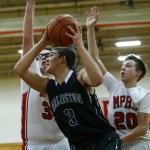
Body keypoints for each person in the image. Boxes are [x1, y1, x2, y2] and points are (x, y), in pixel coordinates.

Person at [14, 14, 122, 149]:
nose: (47, 59)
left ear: (62, 59)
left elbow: (97, 79)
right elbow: (19, 69)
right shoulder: (48, 87)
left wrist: (79, 46)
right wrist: (43, 42)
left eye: (51, 55)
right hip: (78, 145)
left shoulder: (79, 76)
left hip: (102, 140)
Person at [86, 6, 150, 150]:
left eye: (128, 66)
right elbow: (95, 58)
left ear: (138, 73)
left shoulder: (145, 95)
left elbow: (142, 128)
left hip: (140, 144)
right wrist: (90, 29)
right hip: (120, 145)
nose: (123, 68)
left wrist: (117, 140)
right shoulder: (114, 86)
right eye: (122, 65)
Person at [20, 0, 70, 149]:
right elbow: (27, 40)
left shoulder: (62, 80)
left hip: (61, 142)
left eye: (49, 56)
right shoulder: (30, 76)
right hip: (36, 144)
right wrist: (30, 4)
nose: (44, 58)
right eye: (40, 56)